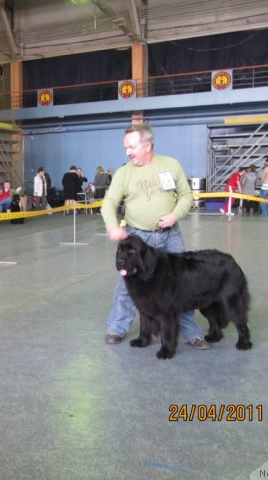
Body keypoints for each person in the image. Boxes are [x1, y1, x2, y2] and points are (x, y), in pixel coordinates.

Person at [100, 124, 209, 350]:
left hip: (170, 236)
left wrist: (175, 215)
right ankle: (116, 328)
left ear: (148, 145)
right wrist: (112, 226)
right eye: (125, 148)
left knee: (182, 285)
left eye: (132, 147)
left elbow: (187, 196)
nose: (127, 152)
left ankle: (191, 333)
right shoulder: (124, 172)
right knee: (128, 287)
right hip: (138, 237)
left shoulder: (171, 165)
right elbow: (109, 202)